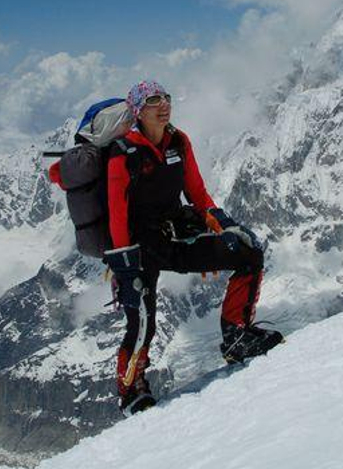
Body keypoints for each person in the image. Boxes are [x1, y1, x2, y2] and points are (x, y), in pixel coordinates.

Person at [102, 80, 283, 415]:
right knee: (142, 322)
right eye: (153, 100)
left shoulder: (179, 141)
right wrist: (123, 264)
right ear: (138, 110)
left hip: (174, 237)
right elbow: (116, 214)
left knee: (248, 254)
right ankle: (131, 391)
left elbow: (197, 194)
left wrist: (223, 222)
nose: (164, 105)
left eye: (166, 98)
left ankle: (237, 336)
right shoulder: (122, 153)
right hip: (139, 249)